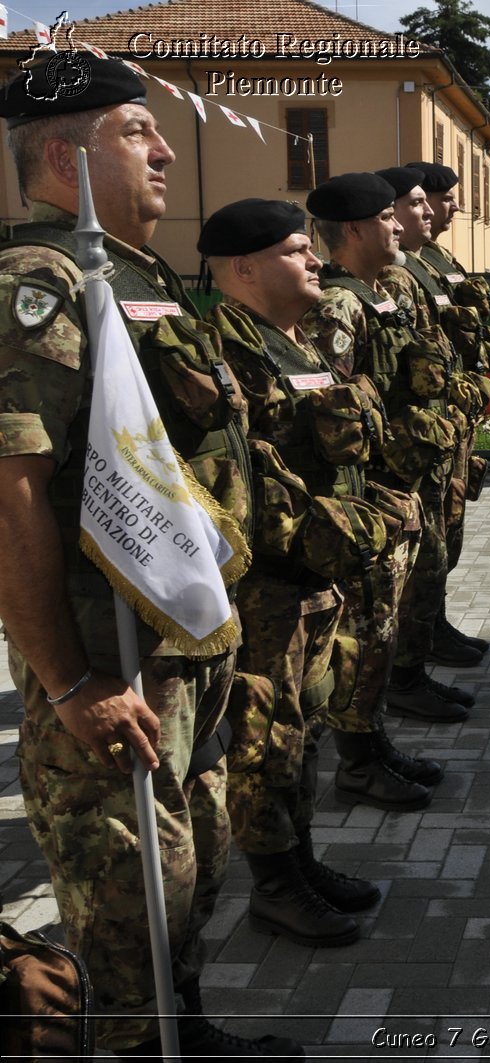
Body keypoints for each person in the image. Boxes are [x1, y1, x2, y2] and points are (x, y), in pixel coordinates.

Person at [0, 58, 302, 1057]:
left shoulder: (136, 278)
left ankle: (186, 1033)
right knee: (126, 912)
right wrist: (67, 676)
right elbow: (11, 492)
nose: (168, 150)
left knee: (184, 880)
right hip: (111, 665)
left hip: (181, 660)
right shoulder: (38, 282)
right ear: (62, 155)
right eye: (137, 131)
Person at [202, 198, 388, 949]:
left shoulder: (298, 341)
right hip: (267, 582)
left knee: (303, 725)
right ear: (244, 268)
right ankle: (274, 885)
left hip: (316, 571)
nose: (314, 259)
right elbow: (240, 476)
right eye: (294, 251)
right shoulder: (222, 348)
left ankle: (300, 860)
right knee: (263, 737)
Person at [302, 172, 460, 809]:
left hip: (387, 491)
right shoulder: (339, 306)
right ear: (360, 229)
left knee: (379, 629)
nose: (401, 223)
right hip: (364, 497)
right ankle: (359, 760)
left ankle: (369, 746)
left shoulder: (373, 295)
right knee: (361, 632)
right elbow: (328, 415)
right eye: (389, 218)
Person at [404, 160, 490, 667]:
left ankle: (434, 625)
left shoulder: (437, 258)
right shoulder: (402, 269)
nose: (451, 207)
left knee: (449, 527)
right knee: (430, 539)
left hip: (453, 413)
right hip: (427, 421)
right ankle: (416, 647)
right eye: (441, 200)